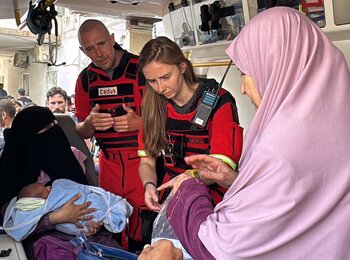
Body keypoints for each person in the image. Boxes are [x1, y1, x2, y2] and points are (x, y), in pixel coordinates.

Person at [153, 7, 350, 259]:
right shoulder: (338, 126)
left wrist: (188, 189)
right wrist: (234, 180)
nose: (243, 88)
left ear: (275, 68)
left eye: (244, 73)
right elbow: (297, 199)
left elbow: (220, 249)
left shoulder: (279, 147)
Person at [138, 36, 243, 212]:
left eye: (166, 77)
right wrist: (149, 185)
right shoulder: (153, 107)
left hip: (213, 202)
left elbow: (221, 168)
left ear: (182, 67)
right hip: (171, 199)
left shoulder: (219, 102)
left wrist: (187, 177)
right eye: (152, 81)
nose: (161, 88)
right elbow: (147, 161)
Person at [0, 106, 119, 260]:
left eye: (54, 126)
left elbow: (92, 194)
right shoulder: (13, 172)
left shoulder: (72, 157)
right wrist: (55, 218)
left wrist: (97, 222)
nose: (53, 133)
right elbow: (12, 224)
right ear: (27, 138)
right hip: (44, 240)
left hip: (89, 236)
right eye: (45, 130)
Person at [74, 19, 148, 251]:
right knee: (108, 228)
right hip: (109, 163)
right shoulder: (85, 79)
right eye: (89, 48)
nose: (98, 53)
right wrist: (89, 124)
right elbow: (80, 130)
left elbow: (167, 120)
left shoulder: (141, 69)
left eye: (102, 43)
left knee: (143, 229)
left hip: (143, 161)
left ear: (113, 39)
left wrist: (140, 123)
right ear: (82, 50)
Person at [4, 179, 133, 241]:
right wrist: (56, 218)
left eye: (47, 187)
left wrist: (98, 223)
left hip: (94, 234)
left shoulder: (58, 185)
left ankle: (111, 213)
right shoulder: (30, 212)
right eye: (45, 190)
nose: (49, 188)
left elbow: (80, 190)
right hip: (67, 242)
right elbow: (23, 229)